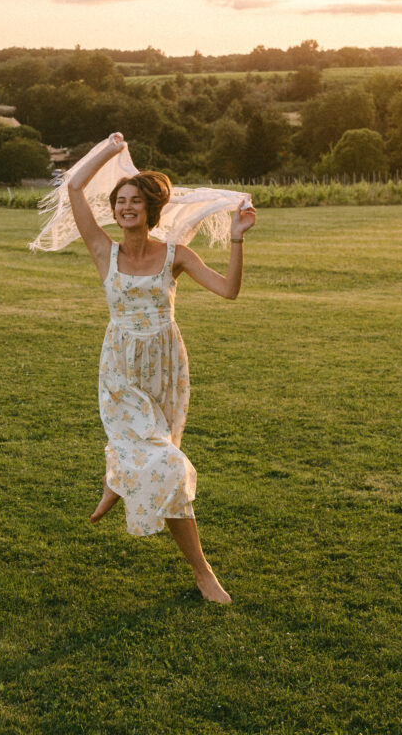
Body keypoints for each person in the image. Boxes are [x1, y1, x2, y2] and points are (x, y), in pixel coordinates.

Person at [68, 133, 256, 603]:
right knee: (168, 466)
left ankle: (117, 475)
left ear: (151, 209)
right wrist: (109, 149)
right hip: (120, 372)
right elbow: (73, 187)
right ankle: (203, 572)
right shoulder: (103, 250)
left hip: (166, 369)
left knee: (157, 453)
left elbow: (229, 290)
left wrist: (236, 238)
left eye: (135, 201)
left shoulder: (176, 255)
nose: (126, 207)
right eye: (120, 201)